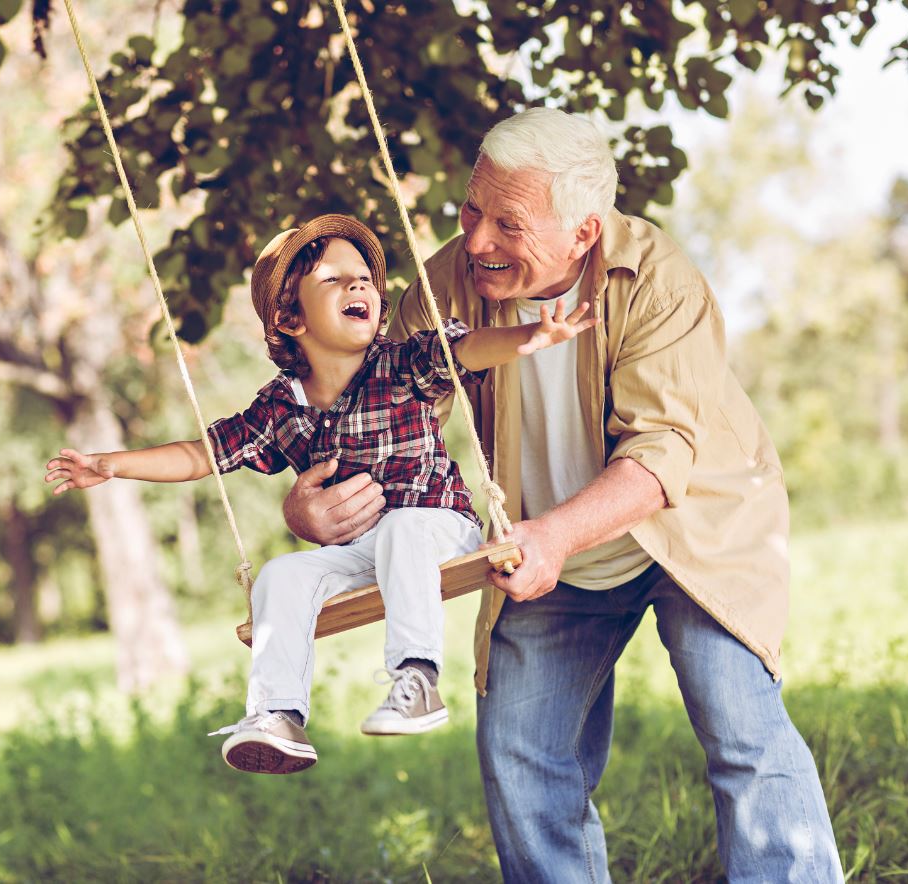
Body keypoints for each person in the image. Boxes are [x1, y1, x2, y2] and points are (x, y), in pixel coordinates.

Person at [281, 109, 842, 880]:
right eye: (470, 210)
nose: (476, 241)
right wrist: (314, 507)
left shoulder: (655, 277)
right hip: (544, 547)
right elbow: (371, 419)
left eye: (507, 224)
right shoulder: (446, 286)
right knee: (520, 753)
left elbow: (660, 452)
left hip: (690, 527)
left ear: (582, 232)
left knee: (739, 726)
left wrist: (553, 536)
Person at [44, 214, 594, 776]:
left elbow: (472, 349)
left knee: (404, 529)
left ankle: (417, 679)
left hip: (437, 530)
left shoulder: (402, 363)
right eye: (334, 280)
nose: (359, 287)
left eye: (364, 279)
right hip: (364, 551)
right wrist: (112, 465)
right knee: (281, 575)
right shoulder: (280, 406)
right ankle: (277, 715)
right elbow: (202, 454)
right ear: (290, 317)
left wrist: (531, 337)